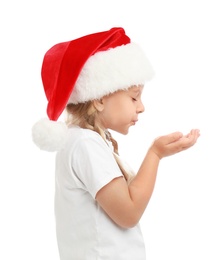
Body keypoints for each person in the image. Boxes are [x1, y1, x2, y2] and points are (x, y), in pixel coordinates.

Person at [32, 27, 200, 260]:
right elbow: (129, 213)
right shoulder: (85, 144)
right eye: (134, 97)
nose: (141, 107)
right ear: (100, 98)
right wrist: (155, 154)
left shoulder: (81, 140)